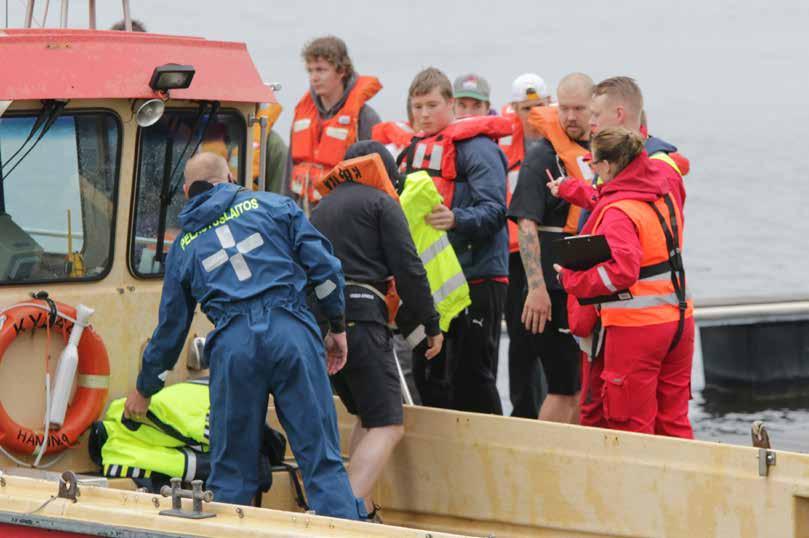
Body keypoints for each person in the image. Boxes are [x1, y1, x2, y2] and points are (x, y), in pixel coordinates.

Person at [123, 153, 366, 519]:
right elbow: (327, 270)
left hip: (234, 349)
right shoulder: (275, 205)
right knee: (322, 462)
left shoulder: (184, 247)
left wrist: (145, 388)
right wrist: (337, 325)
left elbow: (171, 331)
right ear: (232, 178)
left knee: (231, 475)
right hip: (292, 335)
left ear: (187, 192)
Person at [309, 142, 443, 518]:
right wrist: (430, 325)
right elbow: (409, 268)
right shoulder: (381, 203)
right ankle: (340, 512)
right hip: (365, 323)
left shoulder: (321, 208)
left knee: (367, 417)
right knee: (388, 424)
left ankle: (362, 507)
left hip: (326, 327)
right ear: (386, 173)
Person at [552, 127, 694, 438]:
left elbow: (621, 272)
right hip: (680, 321)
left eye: (593, 165)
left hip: (637, 329)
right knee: (673, 421)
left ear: (605, 166)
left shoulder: (619, 211)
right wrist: (568, 189)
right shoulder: (663, 191)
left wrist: (571, 278)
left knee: (630, 426)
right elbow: (604, 195)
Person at [400, 67, 510, 414]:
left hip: (478, 279)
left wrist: (456, 218)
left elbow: (496, 210)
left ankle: (490, 455)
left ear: (451, 105)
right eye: (417, 107)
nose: (424, 114)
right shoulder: (412, 153)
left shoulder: (477, 149)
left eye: (432, 105)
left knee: (473, 380)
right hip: (435, 285)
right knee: (428, 376)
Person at [508, 73, 593, 422]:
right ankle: (542, 466)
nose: (570, 116)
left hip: (587, 289)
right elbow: (526, 223)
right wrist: (536, 288)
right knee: (562, 389)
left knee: (583, 390)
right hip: (552, 293)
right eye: (565, 108)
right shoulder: (542, 155)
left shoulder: (599, 154)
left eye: (579, 109)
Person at [498, 73, 553, 418]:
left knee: (551, 337)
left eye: (539, 107)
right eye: (526, 108)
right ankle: (522, 411)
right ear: (515, 109)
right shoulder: (502, 145)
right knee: (519, 337)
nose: (533, 114)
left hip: (550, 252)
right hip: (513, 256)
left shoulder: (559, 142)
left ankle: (553, 406)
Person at [287, 36, 382, 209]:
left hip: (344, 217)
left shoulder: (365, 118)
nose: (314, 77)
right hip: (303, 217)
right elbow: (289, 173)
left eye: (321, 70)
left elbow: (377, 181)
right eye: (310, 71)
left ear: (341, 71)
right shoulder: (301, 116)